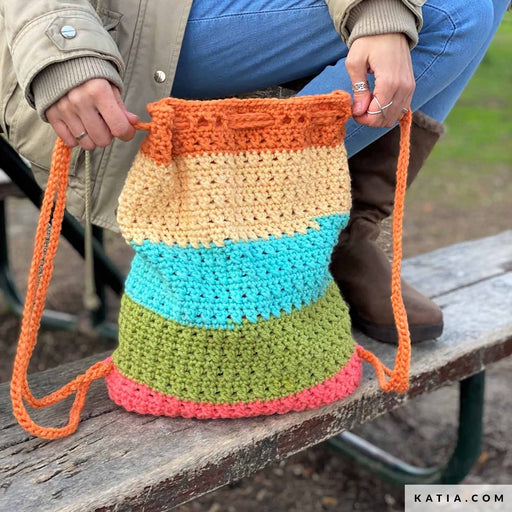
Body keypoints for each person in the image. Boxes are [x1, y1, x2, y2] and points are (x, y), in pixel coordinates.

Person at [0, 0, 509, 344]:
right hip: (109, 20)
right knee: (452, 10)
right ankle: (240, 242)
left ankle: (341, 233)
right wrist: (62, 47)